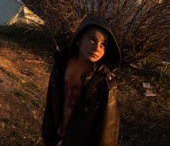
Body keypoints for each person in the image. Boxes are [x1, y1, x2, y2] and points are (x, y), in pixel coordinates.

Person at [42, 17, 121, 146]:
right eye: (92, 40)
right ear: (78, 39)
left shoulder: (104, 82)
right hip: (58, 135)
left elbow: (108, 127)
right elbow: (51, 102)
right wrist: (48, 134)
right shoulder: (61, 66)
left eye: (103, 45)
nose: (97, 48)